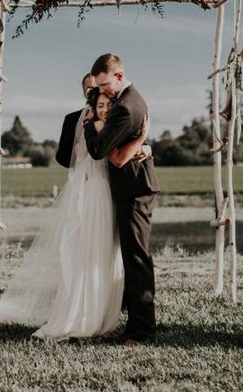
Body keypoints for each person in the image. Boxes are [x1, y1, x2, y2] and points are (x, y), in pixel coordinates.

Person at [0, 88, 150, 341]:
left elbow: (123, 151)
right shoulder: (92, 125)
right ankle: (83, 313)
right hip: (92, 191)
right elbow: (104, 155)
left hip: (106, 194)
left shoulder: (112, 124)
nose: (104, 109)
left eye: (108, 104)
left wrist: (146, 146)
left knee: (101, 253)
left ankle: (98, 311)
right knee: (86, 250)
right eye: (99, 104)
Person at [83, 53, 159, 345]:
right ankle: (134, 324)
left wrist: (90, 124)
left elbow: (100, 150)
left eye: (104, 84)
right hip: (131, 186)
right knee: (131, 257)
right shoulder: (127, 99)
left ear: (118, 75)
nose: (101, 91)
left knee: (137, 259)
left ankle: (142, 332)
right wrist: (143, 142)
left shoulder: (126, 107)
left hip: (134, 188)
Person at [55, 73, 95, 168]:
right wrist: (77, 153)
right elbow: (62, 157)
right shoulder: (71, 119)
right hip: (81, 179)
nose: (94, 93)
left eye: (98, 88)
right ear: (84, 92)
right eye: (90, 89)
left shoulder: (115, 116)